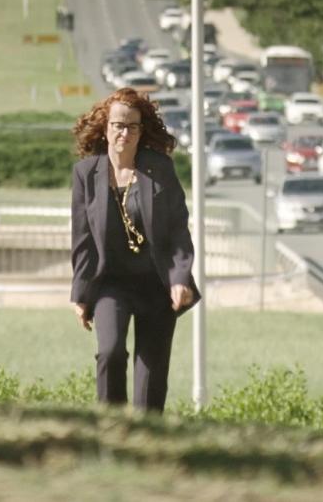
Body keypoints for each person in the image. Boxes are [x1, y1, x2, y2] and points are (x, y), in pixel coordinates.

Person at [70, 87, 199, 412]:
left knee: (150, 380)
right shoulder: (86, 174)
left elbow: (178, 228)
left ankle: (147, 441)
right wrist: (80, 294)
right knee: (111, 351)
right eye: (118, 125)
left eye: (132, 126)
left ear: (142, 131)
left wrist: (180, 277)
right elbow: (83, 241)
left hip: (156, 284)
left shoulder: (160, 170)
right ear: (105, 127)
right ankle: (112, 428)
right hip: (111, 285)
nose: (124, 133)